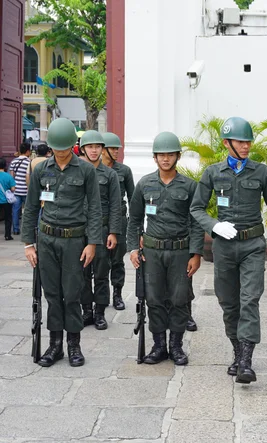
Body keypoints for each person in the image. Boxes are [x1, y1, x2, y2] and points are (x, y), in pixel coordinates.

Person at [190, 116, 267, 384]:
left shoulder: (261, 172)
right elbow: (196, 208)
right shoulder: (213, 173)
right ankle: (236, 351)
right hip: (223, 247)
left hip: (252, 246)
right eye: (240, 142)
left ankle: (246, 360)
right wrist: (214, 226)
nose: (246, 147)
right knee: (228, 303)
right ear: (227, 143)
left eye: (248, 142)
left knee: (249, 300)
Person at [22, 118, 102, 367]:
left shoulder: (86, 170)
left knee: (72, 293)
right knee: (52, 294)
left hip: (73, 241)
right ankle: (55, 344)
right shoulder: (41, 170)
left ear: (72, 146)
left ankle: (74, 345)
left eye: (64, 147)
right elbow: (31, 207)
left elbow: (95, 210)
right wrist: (28, 243)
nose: (59, 152)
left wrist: (92, 243)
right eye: (55, 148)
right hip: (46, 240)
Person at [127, 131, 203, 366]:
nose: (166, 159)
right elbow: (135, 218)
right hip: (153, 252)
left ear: (178, 157)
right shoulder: (145, 184)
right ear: (155, 158)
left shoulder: (190, 186)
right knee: (155, 299)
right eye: (161, 155)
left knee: (179, 299)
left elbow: (196, 221)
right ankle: (159, 345)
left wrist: (196, 253)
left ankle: (176, 347)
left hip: (180, 252)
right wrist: (132, 248)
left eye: (170, 154)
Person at [79, 130, 121, 330]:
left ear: (102, 149)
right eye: (90, 147)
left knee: (102, 272)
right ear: (83, 149)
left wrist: (113, 232)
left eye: (97, 147)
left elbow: (115, 205)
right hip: (80, 230)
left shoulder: (110, 174)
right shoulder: (77, 170)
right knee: (82, 272)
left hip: (103, 230)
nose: (94, 150)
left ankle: (100, 312)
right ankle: (86, 310)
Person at [101, 132, 135, 311]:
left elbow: (133, 198)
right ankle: (101, 295)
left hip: (120, 221)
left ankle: (117, 294)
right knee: (99, 261)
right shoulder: (92, 169)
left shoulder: (124, 170)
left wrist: (134, 226)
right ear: (103, 149)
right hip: (99, 221)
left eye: (117, 148)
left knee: (117, 260)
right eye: (113, 148)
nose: (116, 152)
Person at [10, 143, 31, 235]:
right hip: (26, 191)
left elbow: (12, 176)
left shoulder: (14, 161)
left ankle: (15, 230)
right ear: (27, 151)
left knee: (15, 211)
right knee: (28, 211)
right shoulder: (29, 162)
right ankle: (27, 230)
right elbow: (29, 177)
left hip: (16, 190)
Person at [0, 158, 17, 240]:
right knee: (8, 218)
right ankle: (7, 235)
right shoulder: (8, 176)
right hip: (6, 201)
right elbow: (13, 189)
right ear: (5, 166)